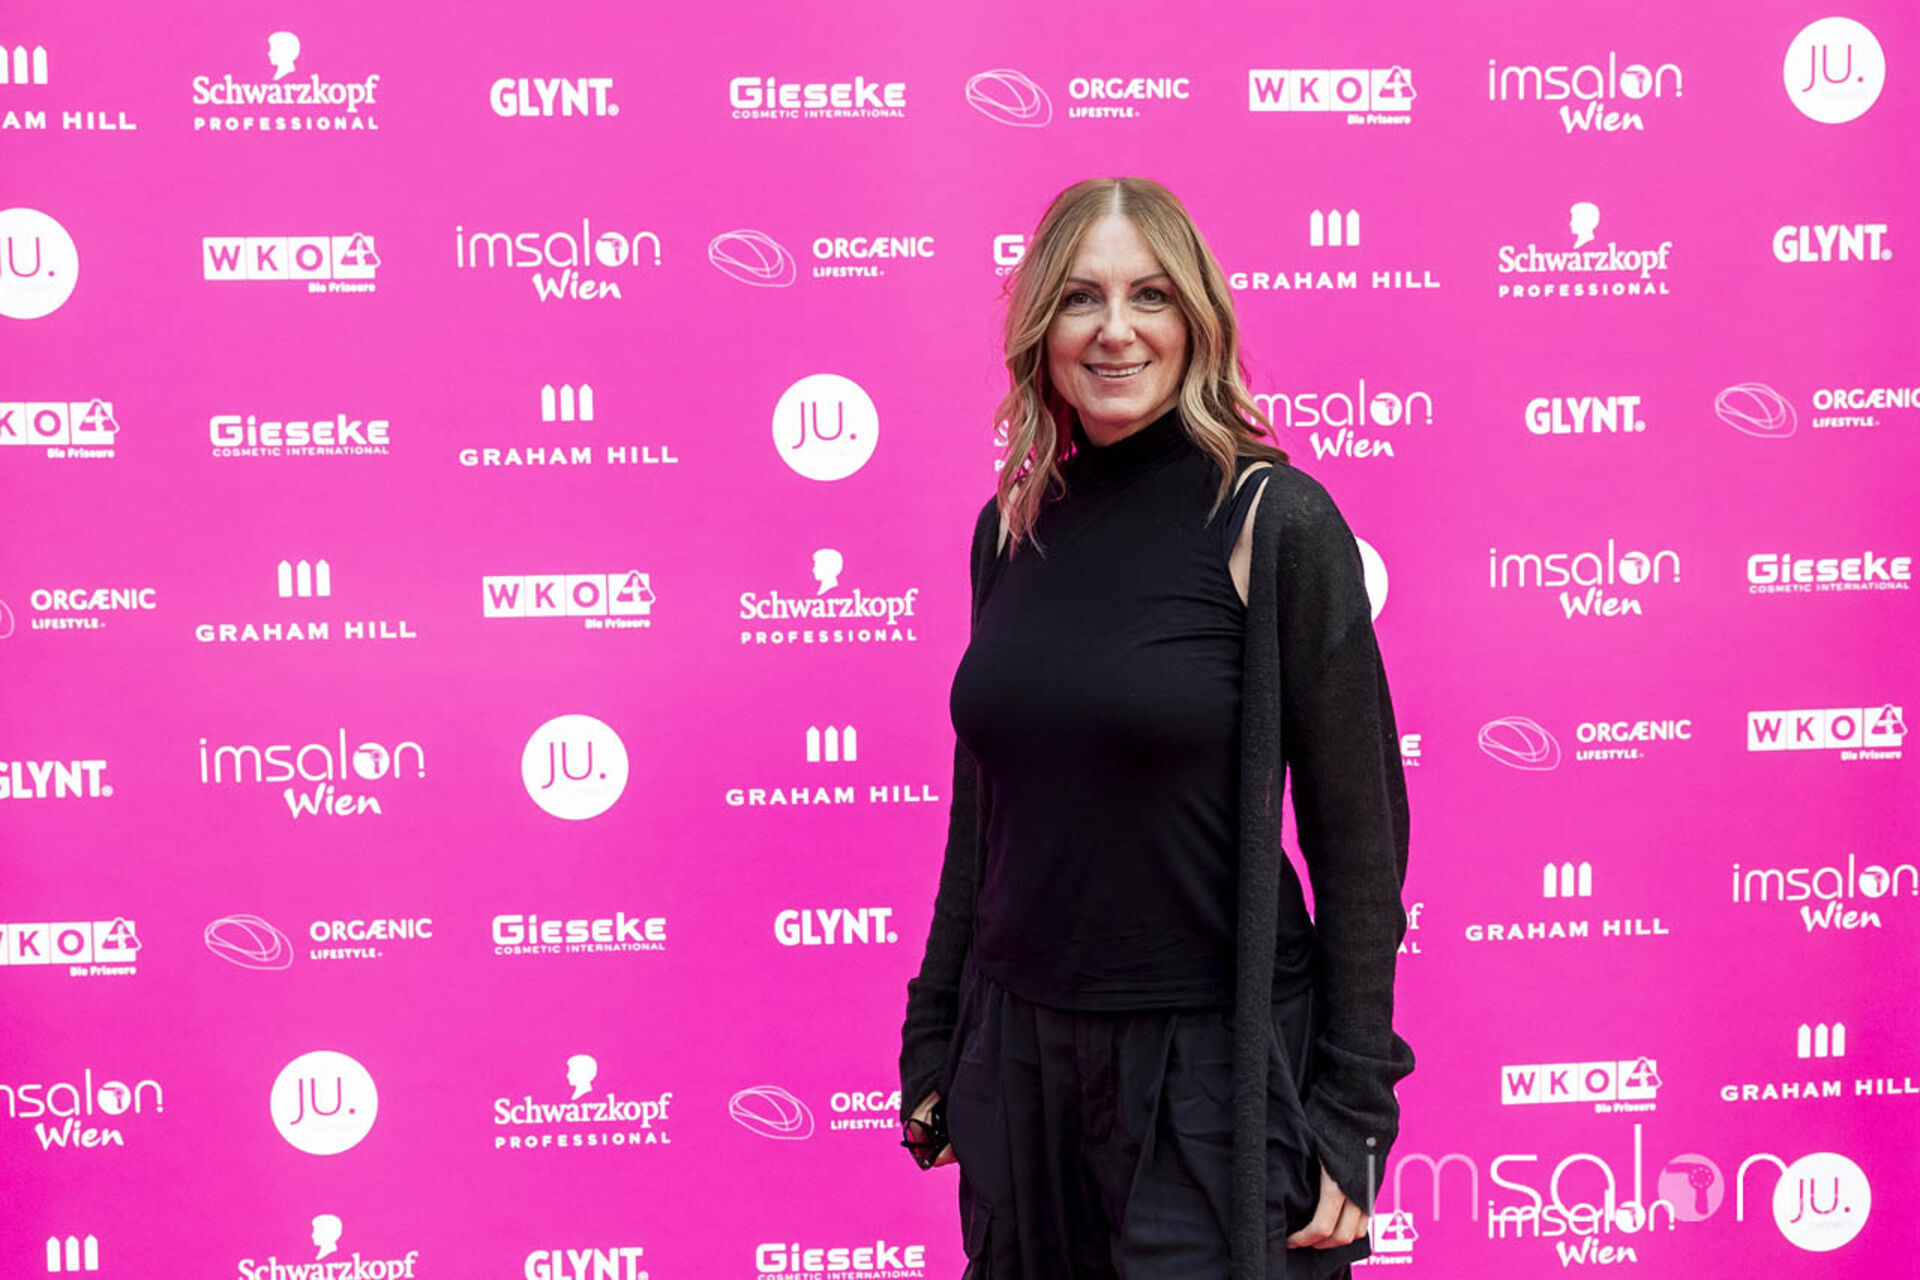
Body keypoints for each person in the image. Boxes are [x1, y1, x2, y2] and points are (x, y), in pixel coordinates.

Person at [899, 176, 1414, 1279]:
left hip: (1212, 1072)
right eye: (1081, 297)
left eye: (1151, 295)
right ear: (1041, 327)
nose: (1116, 329)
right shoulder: (1011, 528)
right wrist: (936, 1029)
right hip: (1022, 1063)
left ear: (1197, 318)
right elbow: (984, 814)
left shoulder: (1274, 521)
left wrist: (1355, 1112)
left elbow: (1361, 846)